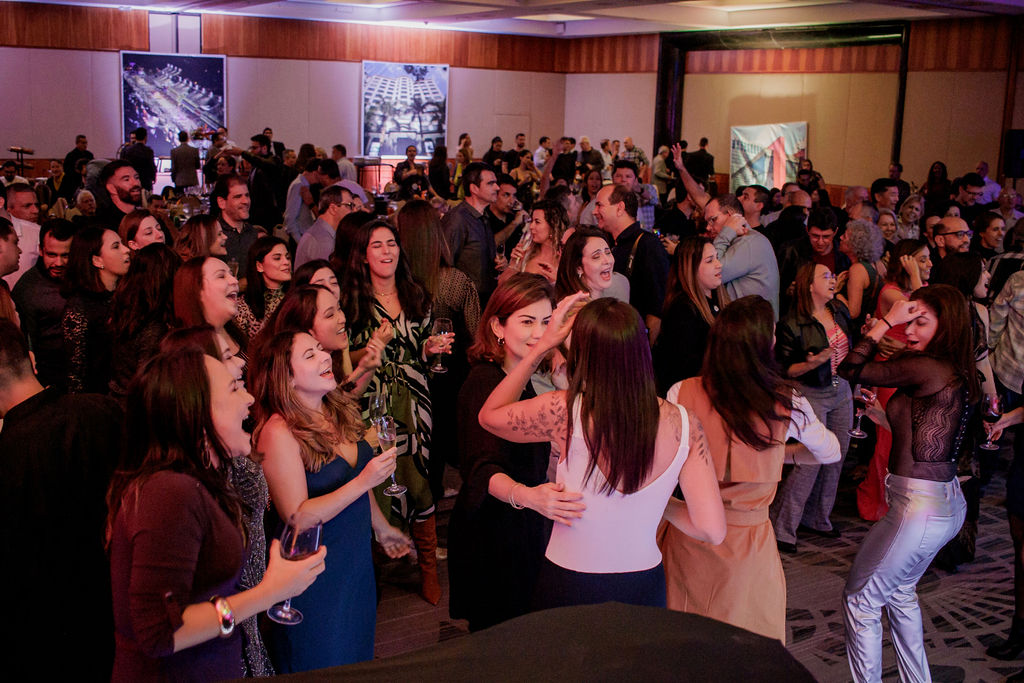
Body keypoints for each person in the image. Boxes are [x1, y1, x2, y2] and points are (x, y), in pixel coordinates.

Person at [478, 294, 727, 609]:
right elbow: (711, 530)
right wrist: (655, 502)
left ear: (582, 355)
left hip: (570, 581)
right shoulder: (685, 423)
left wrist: (543, 346)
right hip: (642, 585)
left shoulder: (564, 410)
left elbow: (489, 416)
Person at [106, 347, 326, 681]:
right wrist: (269, 592)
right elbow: (160, 633)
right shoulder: (168, 492)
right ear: (196, 412)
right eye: (234, 389)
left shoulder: (194, 482)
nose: (249, 399)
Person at [659, 295, 840, 641]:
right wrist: (779, 454)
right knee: (743, 643)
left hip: (690, 530)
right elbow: (830, 451)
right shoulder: (787, 401)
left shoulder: (681, 391)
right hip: (748, 544)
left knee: (684, 637)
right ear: (764, 344)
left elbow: (665, 461)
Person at [838, 285, 977, 683]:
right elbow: (925, 440)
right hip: (942, 502)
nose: (910, 330)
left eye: (921, 322)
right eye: (909, 321)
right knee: (899, 593)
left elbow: (849, 368)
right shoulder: (951, 368)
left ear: (945, 326)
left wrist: (886, 321)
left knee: (861, 601)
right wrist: (881, 416)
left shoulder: (928, 367)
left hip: (919, 509)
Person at [251, 330, 410, 672]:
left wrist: (382, 529)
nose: (325, 357)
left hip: (355, 563)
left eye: (321, 349)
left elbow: (353, 481)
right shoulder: (278, 432)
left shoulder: (334, 409)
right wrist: (366, 479)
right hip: (315, 575)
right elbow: (297, 517)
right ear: (286, 378)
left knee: (356, 658)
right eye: (310, 355)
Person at [449, 274, 584, 632]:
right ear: (497, 326)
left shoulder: (519, 379)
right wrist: (529, 497)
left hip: (519, 524)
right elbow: (480, 470)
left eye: (545, 321)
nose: (539, 333)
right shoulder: (484, 382)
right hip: (493, 533)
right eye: (527, 322)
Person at [0, 320, 123, 679]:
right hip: (121, 611)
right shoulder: (104, 410)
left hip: (48, 639)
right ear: (31, 359)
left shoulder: (9, 457)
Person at [341, 218, 452, 605]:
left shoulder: (415, 293)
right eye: (377, 245)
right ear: (363, 255)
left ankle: (427, 569)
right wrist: (372, 346)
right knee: (377, 478)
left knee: (418, 478)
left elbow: (422, 351)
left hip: (415, 400)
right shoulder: (351, 301)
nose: (387, 251)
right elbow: (343, 359)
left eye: (391, 243)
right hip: (371, 401)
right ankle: (374, 572)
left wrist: (431, 348)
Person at [397, 199, 481, 496]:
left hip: (404, 375)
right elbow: (476, 335)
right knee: (439, 441)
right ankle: (430, 503)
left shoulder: (394, 283)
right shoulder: (457, 282)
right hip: (448, 380)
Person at [770, 264, 852, 552]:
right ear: (808, 285)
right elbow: (785, 370)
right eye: (825, 276)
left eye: (833, 275)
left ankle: (818, 517)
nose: (832, 280)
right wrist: (813, 363)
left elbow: (849, 347)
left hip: (841, 388)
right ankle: (783, 527)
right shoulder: (792, 323)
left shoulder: (838, 310)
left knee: (837, 455)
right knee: (809, 461)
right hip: (811, 391)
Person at [857, 239, 933, 521]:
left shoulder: (914, 290)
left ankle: (901, 500)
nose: (929, 264)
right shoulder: (892, 293)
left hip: (911, 369)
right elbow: (923, 310)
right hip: (891, 371)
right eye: (922, 259)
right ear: (906, 261)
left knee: (907, 436)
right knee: (889, 436)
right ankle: (880, 502)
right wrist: (914, 275)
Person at [651, 235, 727, 395]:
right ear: (691, 268)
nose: (719, 264)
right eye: (710, 260)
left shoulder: (717, 298)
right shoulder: (682, 309)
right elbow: (682, 369)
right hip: (693, 395)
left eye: (717, 258)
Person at [62, 226, 131, 393]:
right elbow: (75, 373)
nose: (126, 250)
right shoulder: (79, 308)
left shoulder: (125, 295)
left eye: (122, 244)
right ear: (97, 260)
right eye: (116, 246)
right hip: (98, 398)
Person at [108, 244, 181, 397]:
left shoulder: (129, 314)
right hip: (132, 405)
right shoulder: (154, 328)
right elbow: (147, 388)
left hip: (118, 398)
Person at [174, 256, 248, 365]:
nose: (235, 281)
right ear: (197, 290)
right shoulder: (186, 353)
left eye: (232, 274)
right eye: (221, 276)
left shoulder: (235, 332)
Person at [554, 226, 629, 303]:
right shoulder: (576, 308)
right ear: (579, 268)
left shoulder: (620, 284)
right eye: (596, 257)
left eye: (608, 253)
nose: (607, 261)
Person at [235, 236, 291, 338]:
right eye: (277, 258)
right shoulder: (244, 305)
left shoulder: (297, 297)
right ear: (259, 266)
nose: (286, 262)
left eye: (287, 257)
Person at [837, 219, 886, 329]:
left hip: (857, 330)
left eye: (845, 236)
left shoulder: (857, 270)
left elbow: (853, 312)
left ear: (855, 244)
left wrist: (836, 293)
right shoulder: (877, 264)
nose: (840, 237)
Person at [509, 199, 567, 284]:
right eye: (532, 221)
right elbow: (503, 285)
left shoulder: (565, 259)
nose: (531, 226)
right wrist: (513, 265)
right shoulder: (526, 250)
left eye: (537, 222)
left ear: (553, 227)